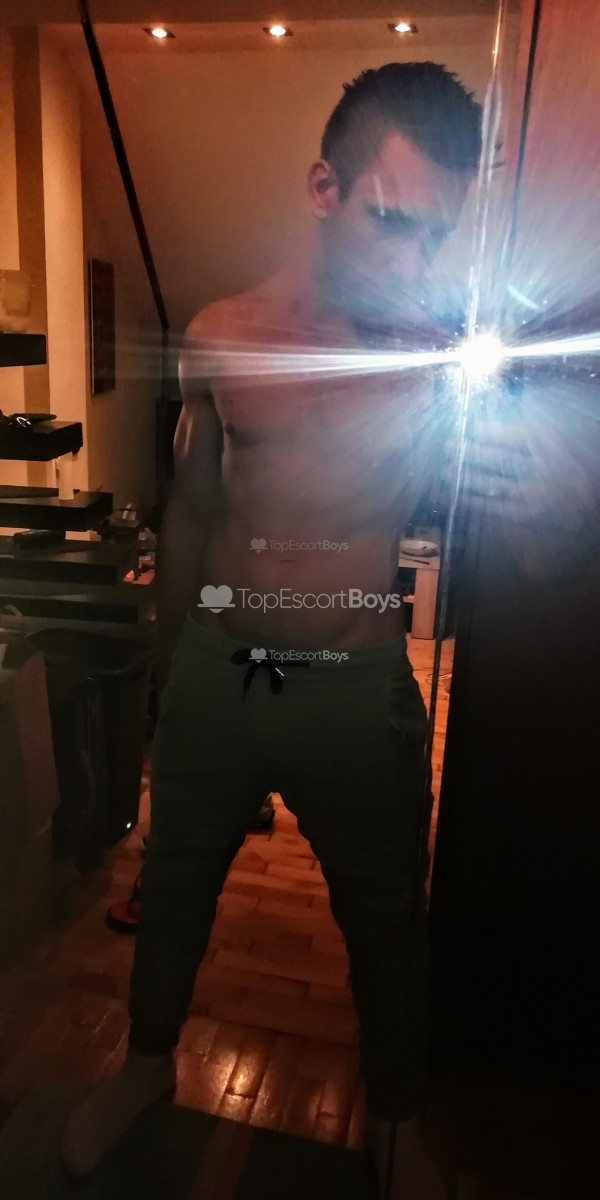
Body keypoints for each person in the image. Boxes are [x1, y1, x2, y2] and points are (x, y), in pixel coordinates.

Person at [62, 62, 483, 1197]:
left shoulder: (434, 354)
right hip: (223, 670)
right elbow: (195, 511)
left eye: (436, 237)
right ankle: (146, 1065)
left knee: (386, 922)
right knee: (174, 886)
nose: (415, 261)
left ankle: (395, 1122)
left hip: (353, 682)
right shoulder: (220, 334)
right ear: (324, 189)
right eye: (393, 222)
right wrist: (173, 680)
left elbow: (486, 501)